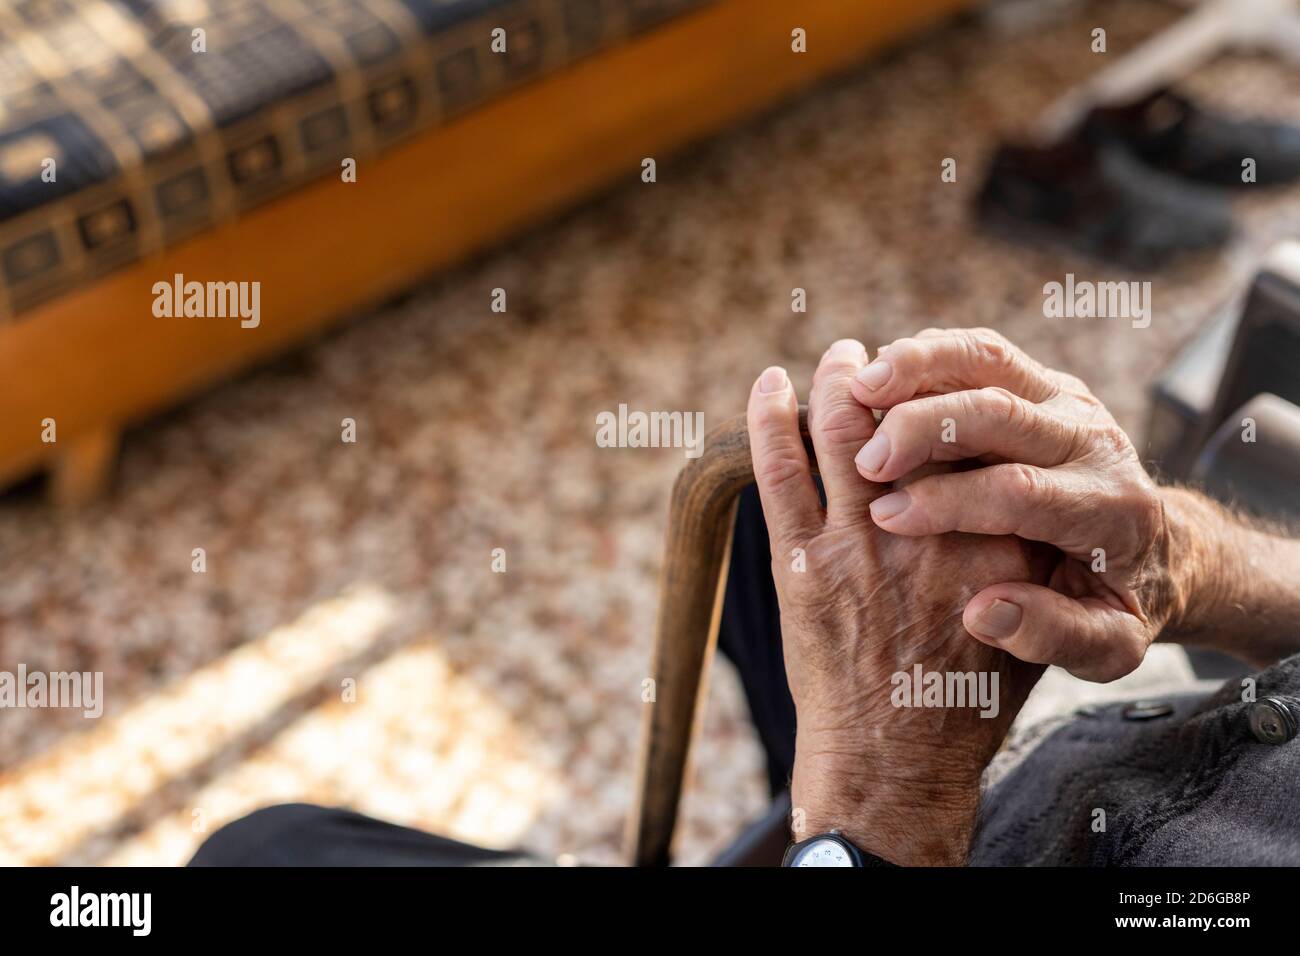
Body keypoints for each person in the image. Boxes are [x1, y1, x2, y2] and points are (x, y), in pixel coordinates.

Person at [193, 328, 1300, 866]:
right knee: (801, 519)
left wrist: (883, 803)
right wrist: (1180, 558)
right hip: (1124, 720)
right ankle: (795, 811)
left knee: (267, 858)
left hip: (937, 838)